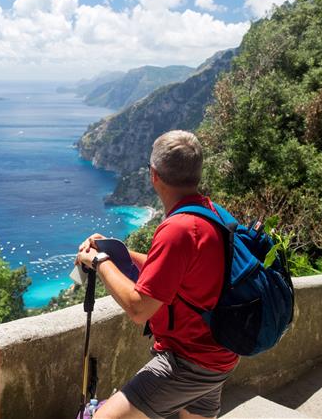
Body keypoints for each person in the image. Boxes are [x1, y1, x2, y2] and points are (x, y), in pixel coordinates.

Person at [76, 130, 239, 419]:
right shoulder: (212, 213)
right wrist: (119, 252)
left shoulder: (178, 230)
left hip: (188, 360)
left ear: (154, 175)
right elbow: (172, 268)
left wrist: (100, 261)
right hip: (218, 351)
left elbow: (139, 308)